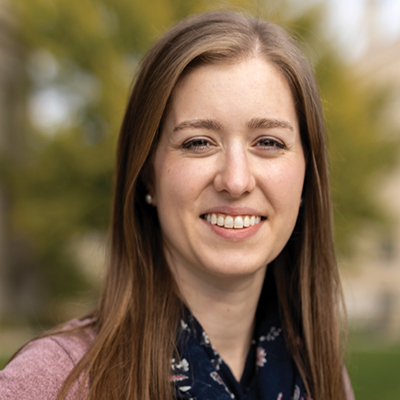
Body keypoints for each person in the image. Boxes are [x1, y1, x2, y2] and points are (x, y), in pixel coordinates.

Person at [0, 10, 354, 400]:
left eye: (268, 142)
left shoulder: (321, 377)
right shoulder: (51, 382)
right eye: (198, 142)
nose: (235, 181)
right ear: (147, 173)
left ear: (307, 171)